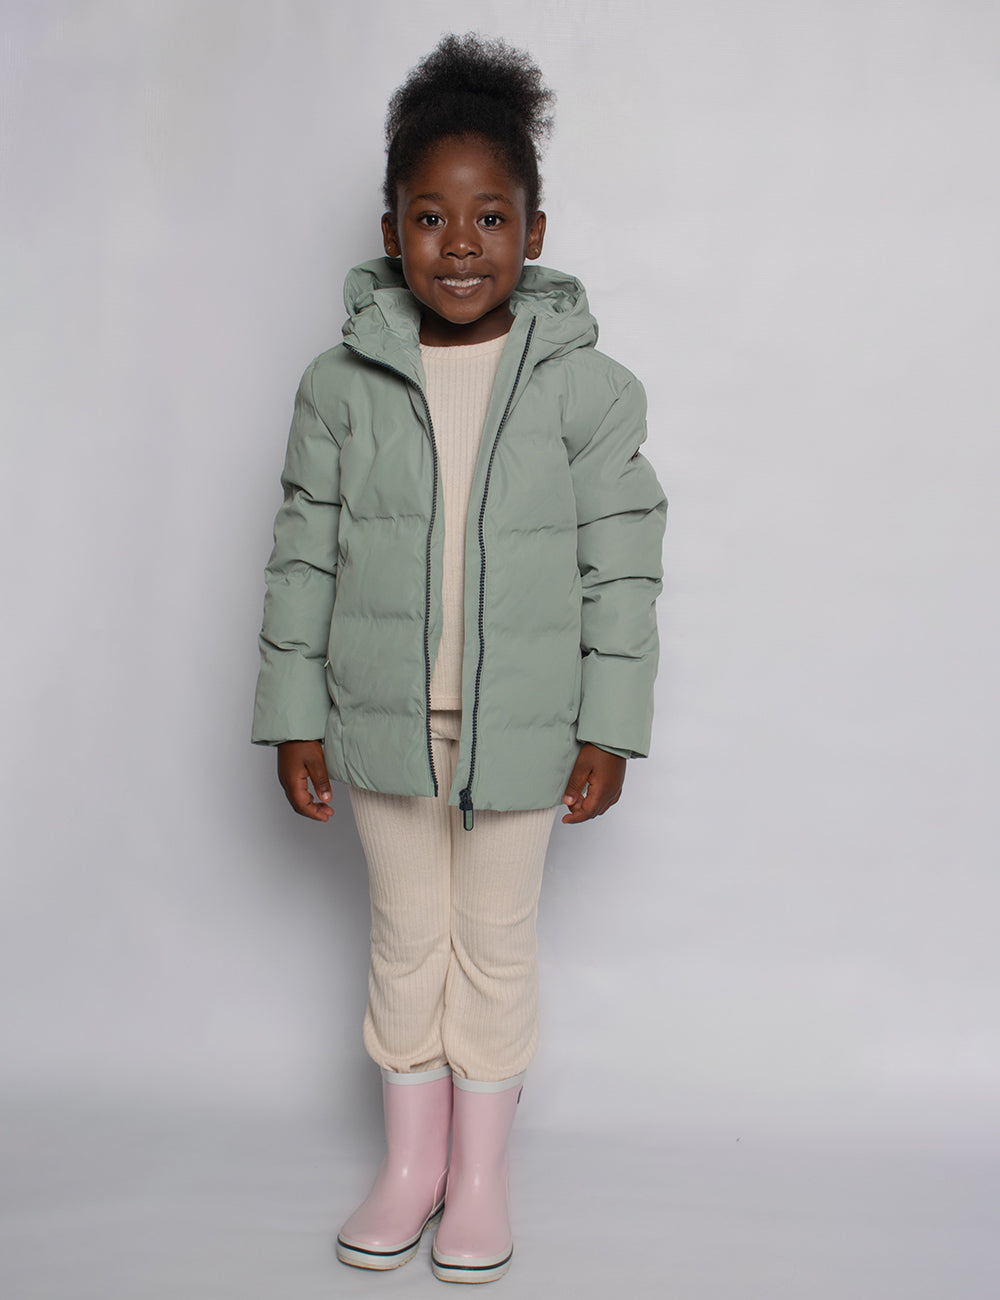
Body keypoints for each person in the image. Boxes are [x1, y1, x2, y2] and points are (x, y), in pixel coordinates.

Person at [251, 32, 667, 1286]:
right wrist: (292, 713)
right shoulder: (340, 385)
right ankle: (410, 1167)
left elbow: (622, 566)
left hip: (526, 731)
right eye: (431, 217)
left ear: (534, 233)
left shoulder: (588, 391)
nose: (462, 243)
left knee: (493, 945)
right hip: (381, 723)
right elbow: (301, 555)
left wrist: (609, 724)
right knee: (404, 940)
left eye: (491, 216)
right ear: (392, 232)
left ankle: (479, 1177)